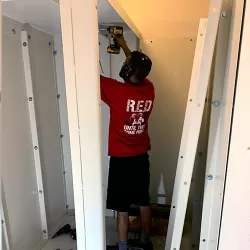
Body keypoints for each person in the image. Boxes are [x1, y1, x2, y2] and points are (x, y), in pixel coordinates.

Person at [100, 34, 155, 250]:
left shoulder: (116, 90)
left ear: (126, 71)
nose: (124, 64)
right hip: (141, 156)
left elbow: (87, 72)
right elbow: (135, 65)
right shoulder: (149, 89)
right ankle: (145, 240)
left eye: (125, 65)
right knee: (143, 200)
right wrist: (122, 44)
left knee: (122, 208)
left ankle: (123, 247)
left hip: (121, 160)